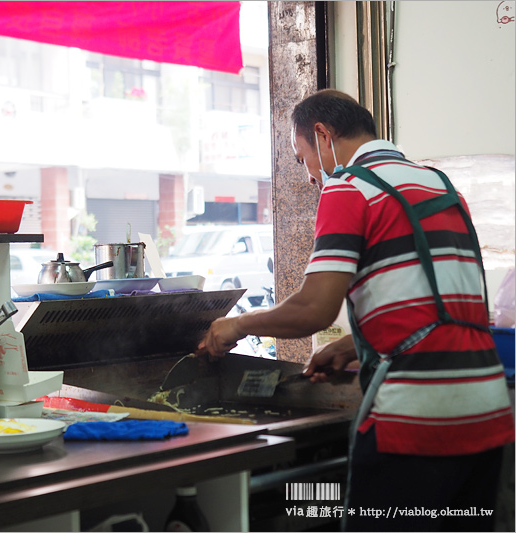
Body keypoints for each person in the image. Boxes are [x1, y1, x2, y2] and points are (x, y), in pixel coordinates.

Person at [198, 89, 514, 531]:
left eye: (301, 155)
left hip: (416, 422)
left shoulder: (350, 188)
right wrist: (353, 344)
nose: (309, 176)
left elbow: (314, 309)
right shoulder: (441, 185)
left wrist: (237, 324)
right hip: (486, 415)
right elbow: (446, 305)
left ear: (323, 135)